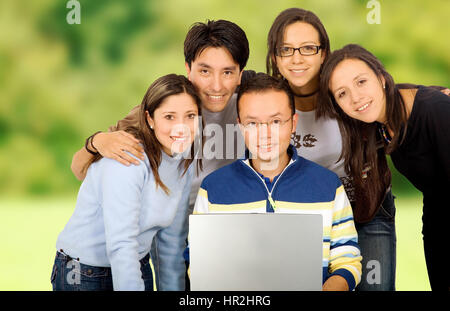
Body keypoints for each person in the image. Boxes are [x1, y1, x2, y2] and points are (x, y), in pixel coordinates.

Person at [68, 19, 250, 289]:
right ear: (188, 69)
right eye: (204, 71)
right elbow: (81, 169)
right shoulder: (161, 111)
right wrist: (96, 141)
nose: (216, 85)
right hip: (169, 238)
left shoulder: (250, 105)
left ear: (240, 74)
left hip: (222, 238)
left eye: (227, 72)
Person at [265, 7, 396, 290]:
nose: (297, 58)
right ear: (275, 57)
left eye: (308, 48)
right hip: (307, 221)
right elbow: (198, 96)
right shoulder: (267, 99)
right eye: (286, 49)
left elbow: (386, 91)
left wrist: (431, 92)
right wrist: (143, 119)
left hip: (366, 212)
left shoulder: (344, 90)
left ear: (323, 53)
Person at [193, 73, 362, 291]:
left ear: (293, 123)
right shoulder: (213, 189)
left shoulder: (329, 187)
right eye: (252, 123)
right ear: (240, 126)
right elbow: (200, 262)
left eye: (275, 121)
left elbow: (347, 260)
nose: (265, 134)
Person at [317, 43, 450, 291]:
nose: (356, 98)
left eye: (361, 82)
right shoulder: (378, 124)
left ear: (381, 78)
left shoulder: (436, 110)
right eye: (342, 93)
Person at [51, 74, 201, 291]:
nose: (181, 127)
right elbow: (122, 245)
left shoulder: (183, 162)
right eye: (169, 117)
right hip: (83, 271)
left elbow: (170, 243)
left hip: (137, 263)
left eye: (190, 116)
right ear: (150, 119)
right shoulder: (128, 160)